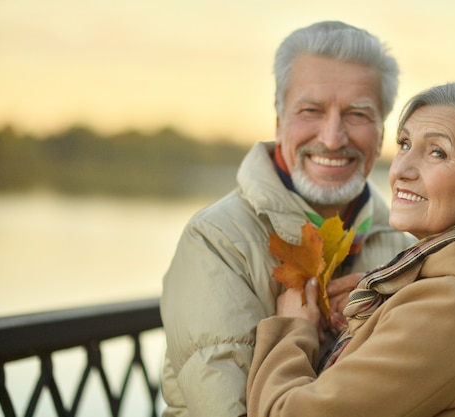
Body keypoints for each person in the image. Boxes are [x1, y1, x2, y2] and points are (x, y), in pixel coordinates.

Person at [246, 80, 455, 417]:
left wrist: (292, 329)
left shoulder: (451, 309)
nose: (401, 170)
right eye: (404, 144)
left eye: (437, 152)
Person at [160, 21, 413, 416]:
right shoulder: (216, 241)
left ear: (381, 132)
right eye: (310, 110)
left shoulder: (406, 248)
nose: (332, 138)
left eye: (357, 114)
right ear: (279, 122)